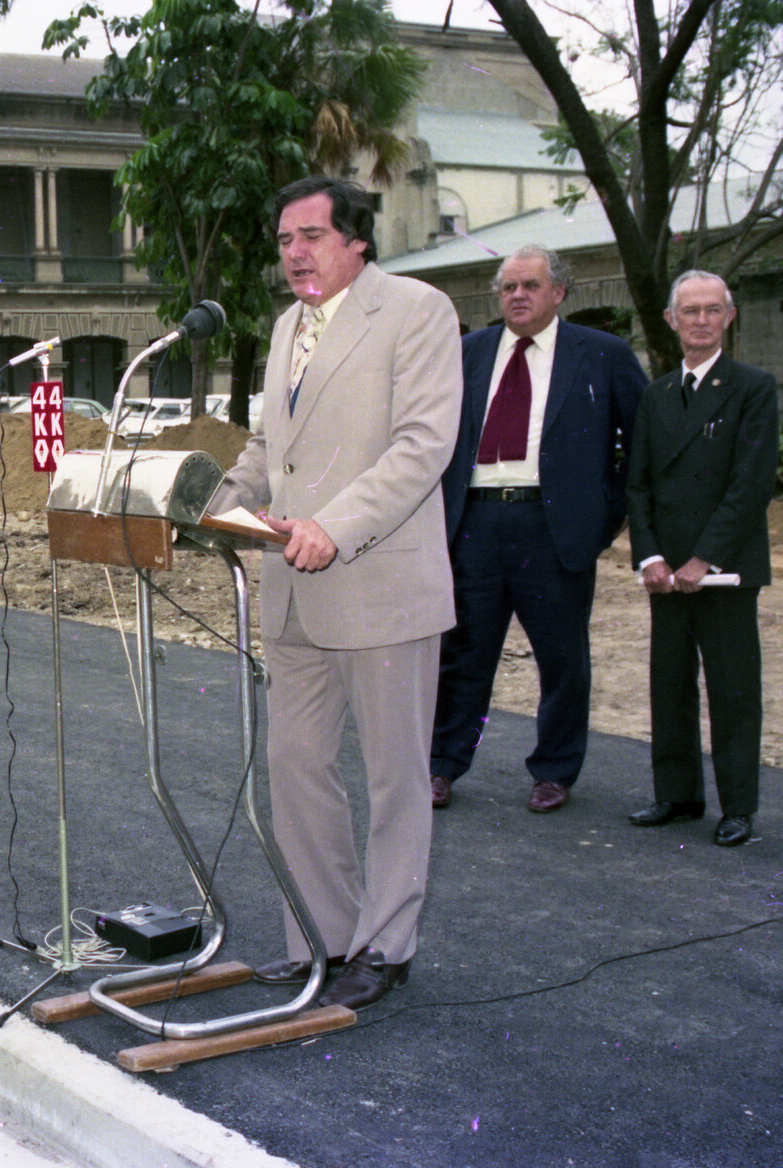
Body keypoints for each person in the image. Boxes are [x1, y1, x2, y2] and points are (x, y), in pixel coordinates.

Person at [207, 175, 462, 1010]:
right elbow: (266, 449)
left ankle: (385, 945)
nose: (292, 254)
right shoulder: (287, 327)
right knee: (296, 767)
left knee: (395, 778)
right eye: (283, 239)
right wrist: (204, 506)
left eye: (309, 236)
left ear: (355, 239)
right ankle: (321, 934)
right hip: (290, 591)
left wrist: (335, 523)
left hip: (377, 582)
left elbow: (421, 446)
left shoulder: (417, 311)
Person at [430, 246, 647, 813]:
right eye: (508, 287)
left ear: (559, 293)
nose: (518, 295)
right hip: (475, 522)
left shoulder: (602, 354)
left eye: (530, 285)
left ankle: (554, 770)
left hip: (553, 526)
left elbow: (642, 443)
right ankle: (443, 764)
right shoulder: (467, 354)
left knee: (562, 658)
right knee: (463, 653)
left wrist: (605, 515)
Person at [625, 271, 778, 847]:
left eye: (713, 310)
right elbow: (636, 485)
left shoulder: (752, 387)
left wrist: (704, 560)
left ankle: (738, 806)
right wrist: (653, 558)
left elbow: (751, 483)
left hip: (725, 570)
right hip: (667, 574)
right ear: (671, 319)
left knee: (733, 690)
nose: (701, 320)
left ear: (729, 317)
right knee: (669, 684)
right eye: (690, 310)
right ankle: (678, 795)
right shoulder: (657, 394)